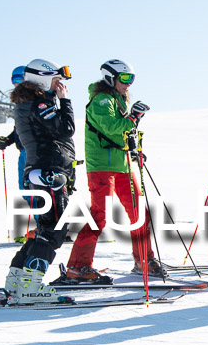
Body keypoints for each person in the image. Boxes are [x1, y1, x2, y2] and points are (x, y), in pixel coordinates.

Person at [64, 59, 162, 283]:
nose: (128, 84)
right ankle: (77, 267)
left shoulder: (119, 100)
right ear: (110, 78)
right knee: (99, 215)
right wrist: (134, 117)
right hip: (101, 167)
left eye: (131, 79)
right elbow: (112, 128)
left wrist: (135, 148)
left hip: (122, 165)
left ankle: (144, 260)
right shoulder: (101, 100)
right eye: (124, 79)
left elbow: (125, 133)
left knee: (139, 213)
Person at [0, 59, 75, 305]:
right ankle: (30, 285)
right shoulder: (40, 103)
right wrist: (65, 101)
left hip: (39, 171)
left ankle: (16, 281)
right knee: (55, 230)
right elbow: (66, 129)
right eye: (54, 78)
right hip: (48, 171)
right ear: (41, 79)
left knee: (44, 229)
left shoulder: (26, 103)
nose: (59, 83)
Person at [0, 66, 38, 242]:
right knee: (26, 191)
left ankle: (42, 229)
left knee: (36, 190)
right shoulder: (21, 104)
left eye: (20, 80)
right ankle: (33, 229)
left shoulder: (35, 101)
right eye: (14, 82)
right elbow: (18, 129)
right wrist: (8, 140)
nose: (17, 85)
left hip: (34, 151)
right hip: (23, 153)